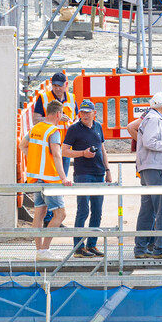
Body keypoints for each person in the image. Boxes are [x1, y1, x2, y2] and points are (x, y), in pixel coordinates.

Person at [22, 100, 74, 252]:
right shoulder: (53, 131)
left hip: (35, 178)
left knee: (39, 213)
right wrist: (64, 178)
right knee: (60, 214)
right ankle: (44, 250)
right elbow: (57, 155)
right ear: (58, 114)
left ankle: (39, 250)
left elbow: (22, 146)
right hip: (49, 179)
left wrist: (35, 158)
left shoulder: (36, 128)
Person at [63, 99, 108, 257]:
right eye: (82, 112)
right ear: (79, 114)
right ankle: (79, 247)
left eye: (88, 112)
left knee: (97, 211)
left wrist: (108, 170)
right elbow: (64, 151)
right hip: (83, 174)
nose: (85, 115)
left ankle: (92, 245)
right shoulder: (74, 129)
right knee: (83, 210)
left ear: (94, 113)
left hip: (99, 174)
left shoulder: (98, 127)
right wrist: (83, 153)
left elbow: (102, 149)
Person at [133, 93, 162, 258]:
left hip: (149, 167)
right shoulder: (155, 120)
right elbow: (150, 142)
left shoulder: (151, 118)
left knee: (148, 209)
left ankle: (141, 248)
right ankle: (161, 248)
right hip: (155, 167)